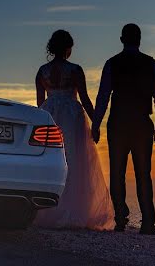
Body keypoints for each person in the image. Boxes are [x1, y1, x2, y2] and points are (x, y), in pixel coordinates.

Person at [34, 29, 114, 230]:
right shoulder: (75, 70)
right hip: (71, 115)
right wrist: (95, 124)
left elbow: (39, 103)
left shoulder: (42, 71)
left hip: (50, 113)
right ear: (68, 48)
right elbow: (85, 99)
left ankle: (49, 209)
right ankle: (76, 210)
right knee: (76, 160)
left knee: (53, 158)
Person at [92, 23, 155, 235]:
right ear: (139, 40)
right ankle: (148, 223)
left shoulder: (112, 64)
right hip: (142, 124)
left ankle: (121, 220)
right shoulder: (151, 64)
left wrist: (96, 124)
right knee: (144, 174)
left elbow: (103, 96)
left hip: (118, 123)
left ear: (122, 39)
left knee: (117, 172)